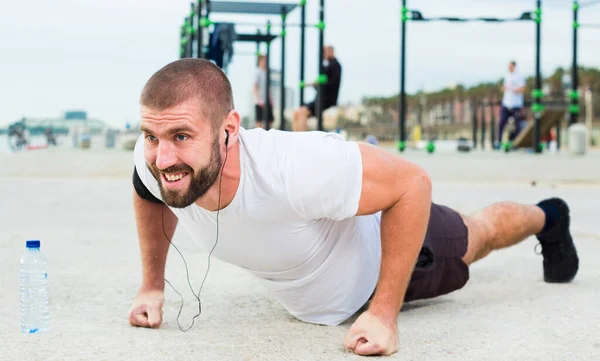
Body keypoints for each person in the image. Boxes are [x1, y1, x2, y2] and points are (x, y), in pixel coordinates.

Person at [128, 59, 579, 357]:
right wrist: (152, 287)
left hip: (386, 258)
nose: (162, 157)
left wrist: (383, 313)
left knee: (477, 233)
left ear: (228, 129)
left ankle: (550, 217)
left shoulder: (295, 168)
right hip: (318, 293)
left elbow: (412, 184)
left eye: (182, 137)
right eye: (152, 137)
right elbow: (146, 190)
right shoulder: (154, 159)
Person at [292, 45, 342, 131]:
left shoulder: (335, 65)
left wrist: (320, 83)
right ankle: (295, 137)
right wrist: (311, 84)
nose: (323, 54)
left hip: (326, 99)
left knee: (302, 112)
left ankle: (302, 138)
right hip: (320, 97)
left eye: (325, 52)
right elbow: (319, 84)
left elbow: (332, 84)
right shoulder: (328, 66)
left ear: (331, 51)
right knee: (296, 113)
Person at [497, 60, 526, 147]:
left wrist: (513, 89)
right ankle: (499, 141)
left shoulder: (519, 76)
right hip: (506, 103)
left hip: (516, 104)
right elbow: (503, 88)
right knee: (501, 122)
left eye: (510, 66)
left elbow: (522, 89)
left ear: (514, 66)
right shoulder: (507, 76)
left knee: (517, 124)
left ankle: (516, 142)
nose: (509, 68)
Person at [252, 54, 273, 129]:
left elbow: (268, 88)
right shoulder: (257, 72)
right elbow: (255, 86)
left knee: (270, 120)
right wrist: (258, 99)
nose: (265, 62)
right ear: (260, 61)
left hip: (267, 101)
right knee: (259, 121)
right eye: (264, 60)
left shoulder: (267, 73)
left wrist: (271, 100)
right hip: (259, 101)